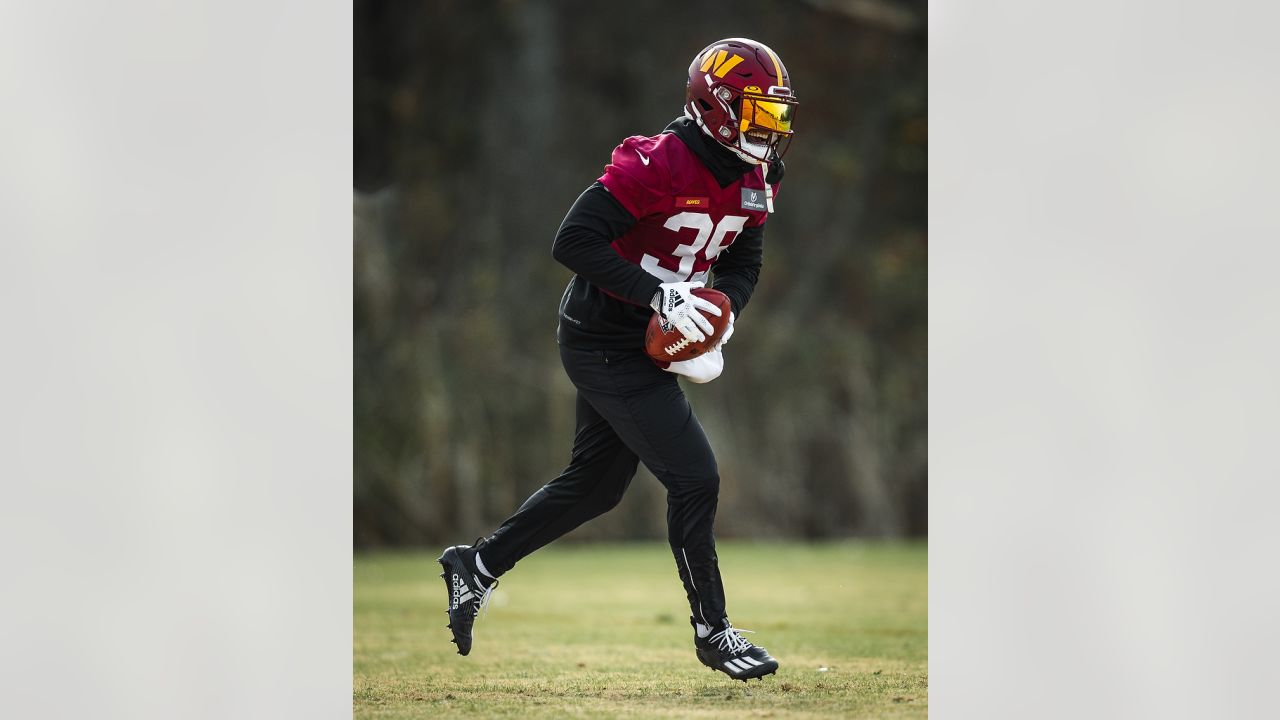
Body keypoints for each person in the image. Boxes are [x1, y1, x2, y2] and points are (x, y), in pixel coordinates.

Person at [437, 37, 797, 682]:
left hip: (652, 339)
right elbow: (573, 240)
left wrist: (725, 310)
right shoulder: (658, 162)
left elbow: (744, 258)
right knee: (695, 477)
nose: (769, 129)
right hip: (604, 339)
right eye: (757, 112)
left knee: (597, 486)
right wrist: (659, 294)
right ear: (714, 106)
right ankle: (714, 630)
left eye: (776, 115)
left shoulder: (755, 174)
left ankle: (477, 565)